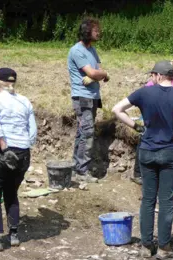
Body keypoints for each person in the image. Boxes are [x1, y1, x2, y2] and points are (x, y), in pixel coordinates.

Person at [112, 61, 173, 259]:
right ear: (172, 76)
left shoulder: (143, 93)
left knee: (148, 200)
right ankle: (165, 247)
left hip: (147, 152)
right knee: (166, 201)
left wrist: (136, 126)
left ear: (156, 76)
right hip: (171, 153)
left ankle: (146, 245)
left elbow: (117, 109)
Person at [0, 68, 37, 251]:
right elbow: (33, 132)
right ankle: (13, 235)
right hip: (23, 151)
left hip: (1, 150)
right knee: (11, 192)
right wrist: (23, 148)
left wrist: (5, 149)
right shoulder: (25, 101)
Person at [131, 63, 173, 184]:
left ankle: (139, 174)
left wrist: (136, 125)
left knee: (144, 145)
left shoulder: (149, 86)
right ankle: (171, 177)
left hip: (152, 124)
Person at [67, 17, 109, 183]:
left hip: (93, 96)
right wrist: (101, 75)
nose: (98, 32)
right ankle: (82, 171)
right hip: (82, 96)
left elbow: (99, 70)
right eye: (95, 29)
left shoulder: (92, 50)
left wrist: (101, 74)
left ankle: (76, 166)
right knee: (88, 132)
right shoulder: (77, 50)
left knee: (82, 131)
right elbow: (93, 73)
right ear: (86, 32)